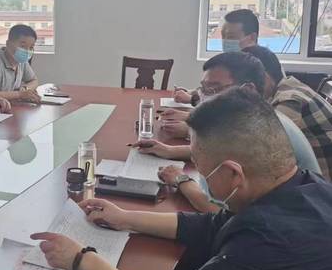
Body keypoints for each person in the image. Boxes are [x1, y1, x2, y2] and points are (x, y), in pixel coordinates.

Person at [32, 88, 332, 270]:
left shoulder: (271, 242)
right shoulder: (306, 187)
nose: (201, 178)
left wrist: (82, 259)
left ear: (233, 174)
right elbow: (213, 225)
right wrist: (125, 217)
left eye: (202, 169)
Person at [135, 52, 320, 213]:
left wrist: (182, 180)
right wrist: (168, 150)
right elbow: (220, 152)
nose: (205, 97)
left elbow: (218, 211)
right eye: (203, 89)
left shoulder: (260, 130)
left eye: (214, 89)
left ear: (248, 89)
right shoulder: (251, 118)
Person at [243, 44, 332, 181]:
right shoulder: (289, 85)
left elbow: (264, 149)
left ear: (264, 78)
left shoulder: (289, 101)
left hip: (323, 185)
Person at [172, 9, 259, 104]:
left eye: (231, 37)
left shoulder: (258, 68)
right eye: (223, 36)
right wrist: (192, 92)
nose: (225, 41)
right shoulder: (231, 61)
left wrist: (192, 99)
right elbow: (215, 91)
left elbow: (230, 105)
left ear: (252, 37)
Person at [0, 24, 41, 103]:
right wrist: (19, 94)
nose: (27, 51)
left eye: (31, 47)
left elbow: (34, 80)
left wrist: (24, 89)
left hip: (11, 106)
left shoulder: (21, 62)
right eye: (22, 46)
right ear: (8, 44)